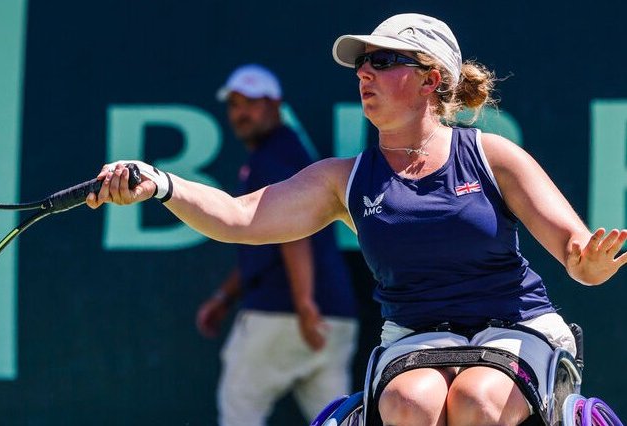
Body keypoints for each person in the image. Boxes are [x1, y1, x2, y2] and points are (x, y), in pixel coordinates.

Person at [87, 13, 627, 426]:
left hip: (515, 327)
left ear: (429, 79)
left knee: (478, 402)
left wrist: (592, 264)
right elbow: (239, 216)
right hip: (417, 335)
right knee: (410, 405)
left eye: (385, 61)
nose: (364, 72)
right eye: (363, 62)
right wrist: (162, 184)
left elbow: (579, 257)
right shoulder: (341, 180)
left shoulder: (493, 156)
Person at [193, 64, 359, 425]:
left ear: (275, 106)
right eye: (235, 104)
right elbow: (267, 240)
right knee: (338, 419)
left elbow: (293, 233)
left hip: (285, 315)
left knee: (240, 413)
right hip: (333, 317)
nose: (242, 113)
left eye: (252, 103)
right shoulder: (285, 154)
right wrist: (225, 296)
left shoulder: (273, 157)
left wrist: (304, 303)